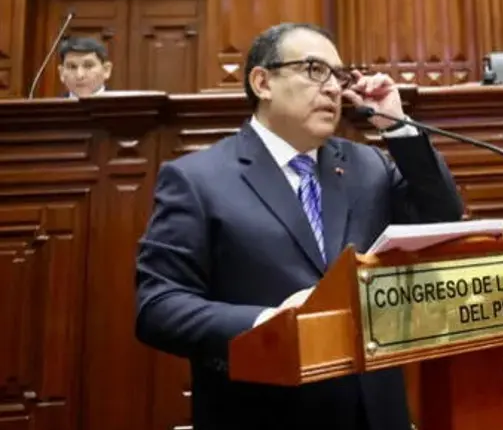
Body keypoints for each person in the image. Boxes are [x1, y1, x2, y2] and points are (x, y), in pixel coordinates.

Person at [134, 22, 464, 430]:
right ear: (262, 82)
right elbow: (158, 307)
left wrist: (396, 124)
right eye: (313, 70)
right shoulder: (198, 179)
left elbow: (443, 215)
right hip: (263, 411)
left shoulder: (367, 166)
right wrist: (267, 323)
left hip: (374, 413)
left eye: (339, 77)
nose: (331, 89)